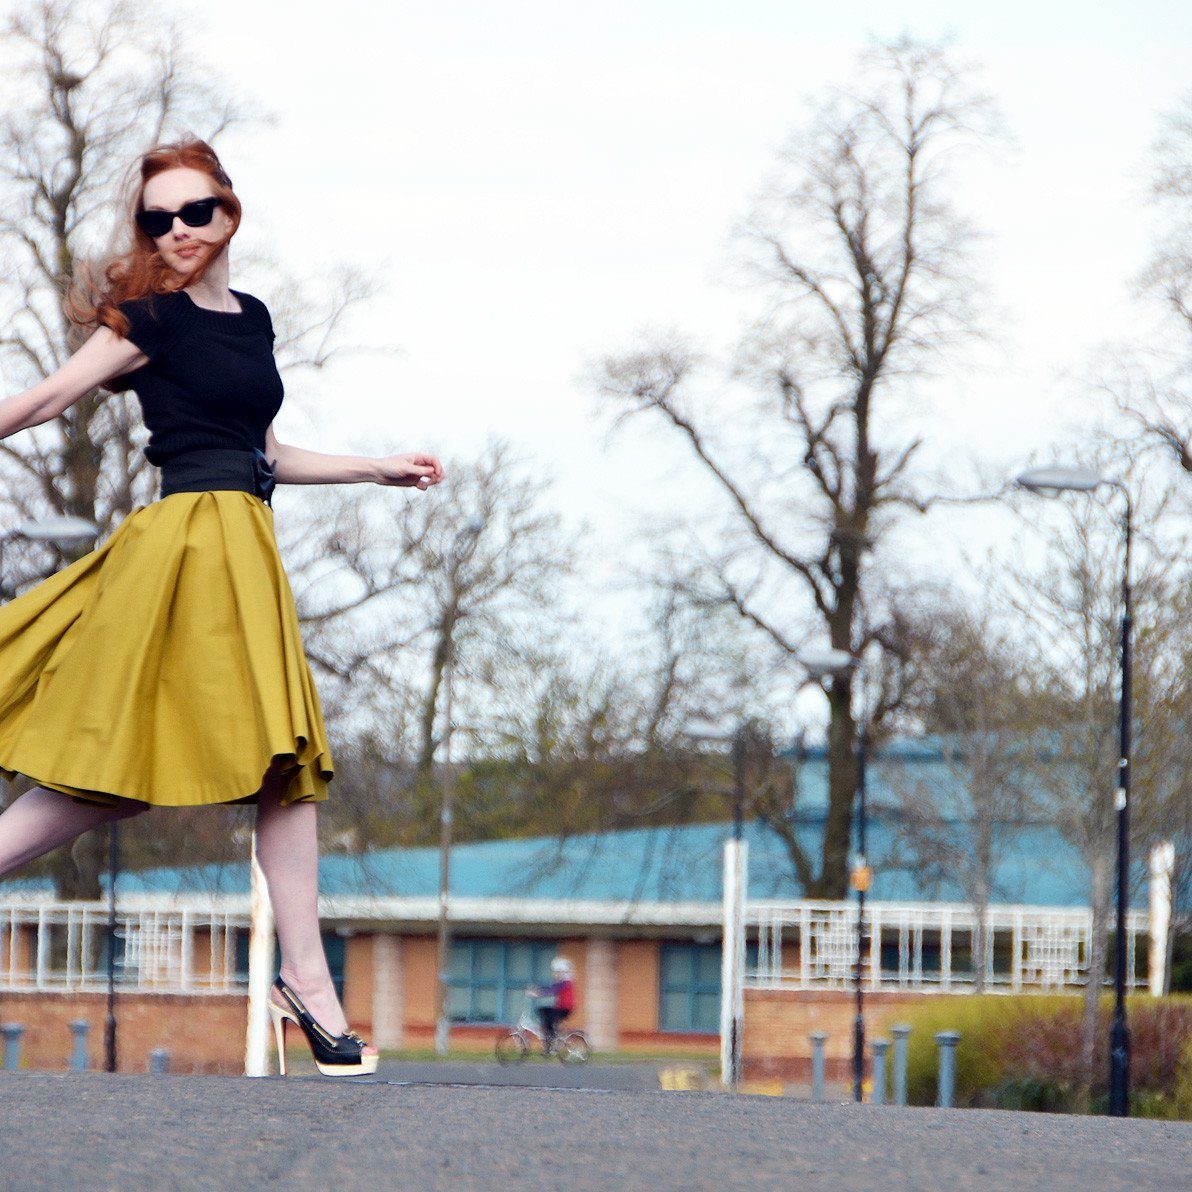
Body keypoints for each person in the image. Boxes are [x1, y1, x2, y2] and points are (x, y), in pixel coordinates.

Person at [0, 138, 444, 1077]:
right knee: (110, 775)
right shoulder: (147, 318)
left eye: (193, 212)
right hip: (183, 550)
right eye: (157, 219)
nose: (178, 232)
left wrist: (378, 466)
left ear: (229, 213)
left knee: (284, 762)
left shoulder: (251, 319)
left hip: (245, 545)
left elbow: (267, 452)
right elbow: (44, 401)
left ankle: (310, 988)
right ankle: (312, 988)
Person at [531, 957, 576, 1051]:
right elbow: (550, 987)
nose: (555, 974)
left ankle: (551, 1039)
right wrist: (537, 989)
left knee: (548, 1017)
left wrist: (538, 993)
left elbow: (553, 990)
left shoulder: (566, 982)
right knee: (542, 1010)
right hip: (560, 1008)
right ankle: (551, 1035)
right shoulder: (561, 982)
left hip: (565, 1009)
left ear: (563, 972)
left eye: (557, 972)